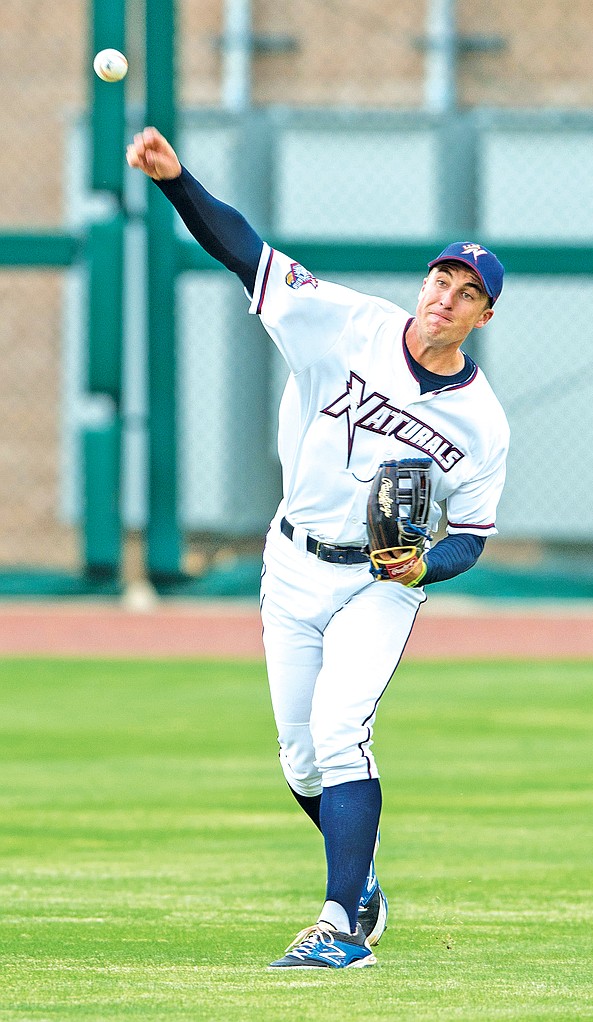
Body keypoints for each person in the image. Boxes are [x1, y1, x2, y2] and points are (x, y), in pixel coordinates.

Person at [127, 127, 510, 970]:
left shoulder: (481, 424)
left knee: (342, 729)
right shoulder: (346, 325)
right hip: (292, 562)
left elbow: (472, 537)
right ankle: (361, 879)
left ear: (484, 316)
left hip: (379, 582)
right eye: (441, 278)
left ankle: (340, 924)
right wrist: (176, 180)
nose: (445, 296)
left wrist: (423, 565)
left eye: (466, 291)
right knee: (300, 758)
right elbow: (247, 253)